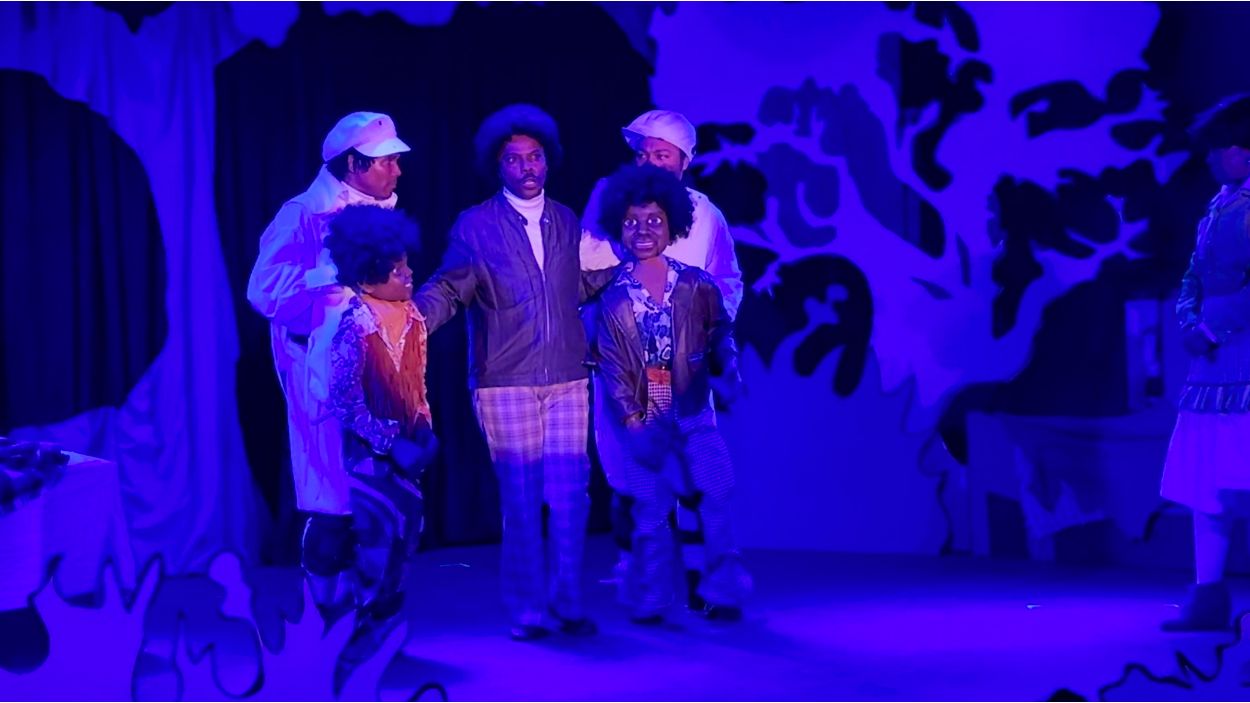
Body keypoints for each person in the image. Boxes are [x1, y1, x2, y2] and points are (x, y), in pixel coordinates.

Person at [414, 104, 612, 641]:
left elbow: (575, 287)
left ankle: (568, 603)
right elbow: (450, 287)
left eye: (535, 157)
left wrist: (626, 268)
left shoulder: (566, 220)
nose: (527, 167)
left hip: (568, 376)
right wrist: (408, 323)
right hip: (505, 381)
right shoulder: (476, 225)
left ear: (549, 161)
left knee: (571, 497)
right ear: (497, 166)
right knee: (522, 500)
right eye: (514, 159)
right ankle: (528, 610)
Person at [580, 109, 745, 613]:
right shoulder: (610, 216)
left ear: (683, 162)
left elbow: (723, 294)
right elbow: (588, 279)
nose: (649, 161)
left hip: (689, 378)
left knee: (710, 481)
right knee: (639, 488)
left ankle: (713, 583)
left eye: (661, 153)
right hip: (635, 382)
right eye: (643, 153)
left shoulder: (704, 231)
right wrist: (632, 414)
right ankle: (645, 585)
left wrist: (722, 358)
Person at [246, 111, 410, 544]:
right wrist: (333, 274)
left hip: (376, 363)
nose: (396, 170)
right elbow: (263, 290)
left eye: (395, 160)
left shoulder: (381, 210)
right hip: (320, 365)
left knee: (378, 484)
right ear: (354, 164)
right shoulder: (304, 214)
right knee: (332, 490)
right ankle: (325, 581)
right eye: (386, 161)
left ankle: (371, 581)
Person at [318, 204, 436, 686]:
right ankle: (356, 641)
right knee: (375, 541)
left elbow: (418, 384)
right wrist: (390, 443)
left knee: (406, 535)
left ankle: (386, 628)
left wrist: (424, 428)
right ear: (368, 273)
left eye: (407, 264)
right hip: (370, 459)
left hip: (407, 452)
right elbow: (344, 400)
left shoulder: (414, 317)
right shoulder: (355, 324)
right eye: (396, 268)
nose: (408, 274)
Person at [1160, 94, 1250, 632]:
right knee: (1209, 478)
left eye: (1220, 148)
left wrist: (1217, 327)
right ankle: (1208, 593)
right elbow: (1193, 274)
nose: (1211, 159)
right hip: (1213, 364)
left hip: (1244, 352)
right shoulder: (1220, 204)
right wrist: (1189, 321)